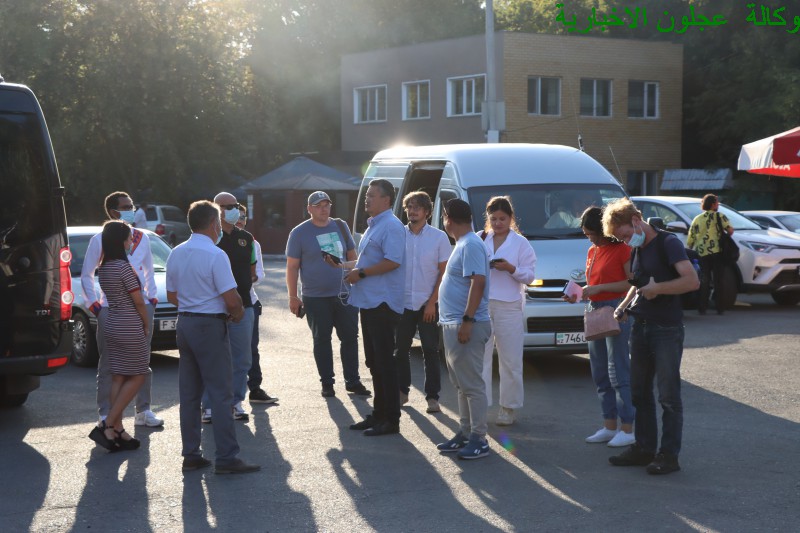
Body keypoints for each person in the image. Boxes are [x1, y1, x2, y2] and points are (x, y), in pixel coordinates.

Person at [602, 198, 699, 475]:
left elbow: (692, 281)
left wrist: (659, 289)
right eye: (621, 239)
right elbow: (638, 283)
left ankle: (668, 455)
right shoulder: (638, 247)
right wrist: (623, 306)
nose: (625, 241)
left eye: (624, 235)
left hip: (666, 329)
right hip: (641, 326)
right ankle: (644, 448)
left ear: (635, 221)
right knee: (639, 392)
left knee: (668, 396)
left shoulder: (669, 243)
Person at [166, 200, 260, 474]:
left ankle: (191, 454)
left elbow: (172, 295)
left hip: (185, 322)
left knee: (189, 394)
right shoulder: (216, 255)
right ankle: (227, 457)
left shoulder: (176, 252)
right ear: (213, 224)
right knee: (221, 393)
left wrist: (193, 303)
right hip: (209, 324)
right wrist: (236, 313)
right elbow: (232, 299)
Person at [81, 191, 164, 430]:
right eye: (126, 207)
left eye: (131, 206)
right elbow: (87, 274)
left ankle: (143, 410)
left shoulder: (141, 237)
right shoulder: (100, 239)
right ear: (113, 211)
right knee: (109, 364)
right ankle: (106, 413)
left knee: (142, 360)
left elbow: (149, 270)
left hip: (142, 305)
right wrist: (95, 306)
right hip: (112, 307)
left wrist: (152, 298)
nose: (131, 210)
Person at [285, 191, 371, 398]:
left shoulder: (340, 226)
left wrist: (356, 280)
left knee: (350, 338)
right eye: (318, 206)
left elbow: (353, 257)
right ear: (309, 209)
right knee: (321, 339)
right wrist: (293, 296)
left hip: (344, 293)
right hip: (315, 297)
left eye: (326, 205)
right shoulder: (299, 233)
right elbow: (292, 267)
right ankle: (327, 383)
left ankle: (352, 381)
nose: (323, 209)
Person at [564, 206, 635, 448]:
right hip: (594, 308)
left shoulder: (622, 249)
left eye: (592, 234)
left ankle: (628, 428)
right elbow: (594, 281)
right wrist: (578, 293)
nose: (589, 238)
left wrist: (596, 289)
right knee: (600, 371)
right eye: (586, 234)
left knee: (618, 370)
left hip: (616, 308)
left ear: (603, 230)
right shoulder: (593, 250)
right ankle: (609, 425)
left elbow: (631, 283)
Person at [342, 179, 405, 436]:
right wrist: (346, 266)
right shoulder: (374, 225)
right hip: (368, 301)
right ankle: (378, 414)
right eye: (367, 195)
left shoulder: (391, 226)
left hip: (383, 302)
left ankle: (391, 419)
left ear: (386, 200)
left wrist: (361, 273)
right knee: (374, 362)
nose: (366, 199)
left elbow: (393, 261)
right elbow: (367, 260)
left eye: (371, 195)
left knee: (384, 362)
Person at [436, 199, 492, 460]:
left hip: (467, 324)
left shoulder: (470, 244)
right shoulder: (463, 243)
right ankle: (466, 432)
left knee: (472, 385)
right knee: (461, 384)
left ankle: (479, 438)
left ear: (448, 218)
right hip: (454, 323)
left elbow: (477, 282)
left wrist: (468, 321)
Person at [87, 221, 150, 452]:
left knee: (119, 377)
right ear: (120, 241)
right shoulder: (124, 267)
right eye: (129, 238)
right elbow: (138, 301)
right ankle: (109, 423)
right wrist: (146, 322)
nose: (131, 241)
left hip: (112, 322)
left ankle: (117, 430)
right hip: (129, 323)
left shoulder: (104, 267)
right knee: (139, 374)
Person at [479, 196, 536, 426]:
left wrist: (511, 268)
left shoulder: (521, 243)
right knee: (480, 359)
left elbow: (529, 276)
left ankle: (508, 407)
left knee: (510, 360)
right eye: (493, 219)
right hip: (482, 304)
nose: (498, 223)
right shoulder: (480, 238)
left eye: (502, 218)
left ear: (511, 218)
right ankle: (480, 405)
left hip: (509, 305)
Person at [201, 192, 256, 424]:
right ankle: (209, 406)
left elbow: (252, 271)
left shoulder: (247, 238)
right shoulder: (211, 239)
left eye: (235, 205)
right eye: (227, 206)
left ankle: (235, 402)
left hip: (244, 306)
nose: (233, 210)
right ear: (216, 209)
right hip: (215, 308)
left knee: (242, 359)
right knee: (214, 359)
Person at [394, 191, 450, 414]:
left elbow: (444, 273)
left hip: (429, 303)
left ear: (427, 211)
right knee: (400, 349)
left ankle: (433, 397)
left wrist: (432, 302)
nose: (412, 211)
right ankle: (402, 391)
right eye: (409, 207)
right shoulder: (398, 235)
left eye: (417, 207)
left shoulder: (439, 237)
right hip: (403, 303)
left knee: (430, 350)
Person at [236, 205, 278, 405]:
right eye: (236, 216)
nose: (240, 220)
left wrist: (244, 279)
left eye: (243, 217)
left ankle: (255, 388)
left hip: (249, 302)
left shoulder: (251, 242)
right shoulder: (216, 240)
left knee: (251, 348)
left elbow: (259, 275)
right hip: (222, 305)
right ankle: (229, 397)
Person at [686, 194, 734, 315]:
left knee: (704, 279)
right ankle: (720, 308)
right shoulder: (720, 216)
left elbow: (691, 239)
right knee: (718, 280)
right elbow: (730, 230)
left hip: (702, 253)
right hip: (717, 252)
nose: (718, 205)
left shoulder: (697, 219)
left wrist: (691, 248)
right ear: (713, 204)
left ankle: (702, 307)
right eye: (717, 203)